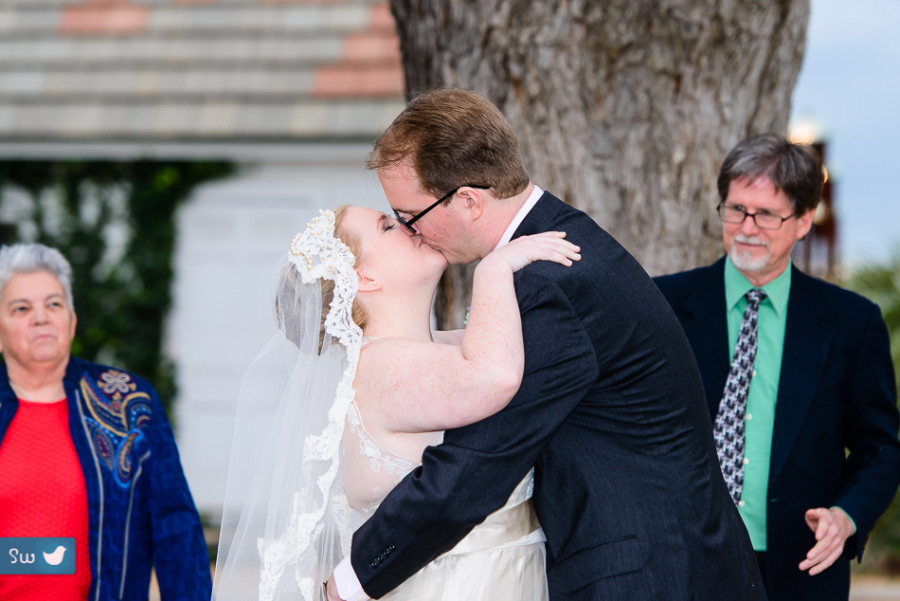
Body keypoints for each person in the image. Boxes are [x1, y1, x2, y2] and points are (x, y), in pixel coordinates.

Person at [324, 87, 766, 601]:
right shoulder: (554, 244)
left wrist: (352, 581)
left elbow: (480, 462)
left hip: (645, 572)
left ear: (467, 199)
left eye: (409, 216)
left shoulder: (544, 283)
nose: (411, 234)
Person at [212, 207, 581, 601]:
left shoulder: (434, 349)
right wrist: (493, 269)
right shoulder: (380, 366)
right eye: (388, 226)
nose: (409, 225)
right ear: (364, 278)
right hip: (459, 586)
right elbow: (494, 375)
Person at [654, 132, 900, 600]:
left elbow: (880, 449)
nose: (747, 227)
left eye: (766, 214)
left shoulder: (853, 322)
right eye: (735, 209)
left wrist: (846, 516)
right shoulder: (663, 304)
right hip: (682, 561)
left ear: (804, 220)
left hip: (802, 570)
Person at [0, 243, 211, 601]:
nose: (41, 317)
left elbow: (176, 527)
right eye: (21, 308)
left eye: (54, 304)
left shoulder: (129, 402)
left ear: (72, 319)